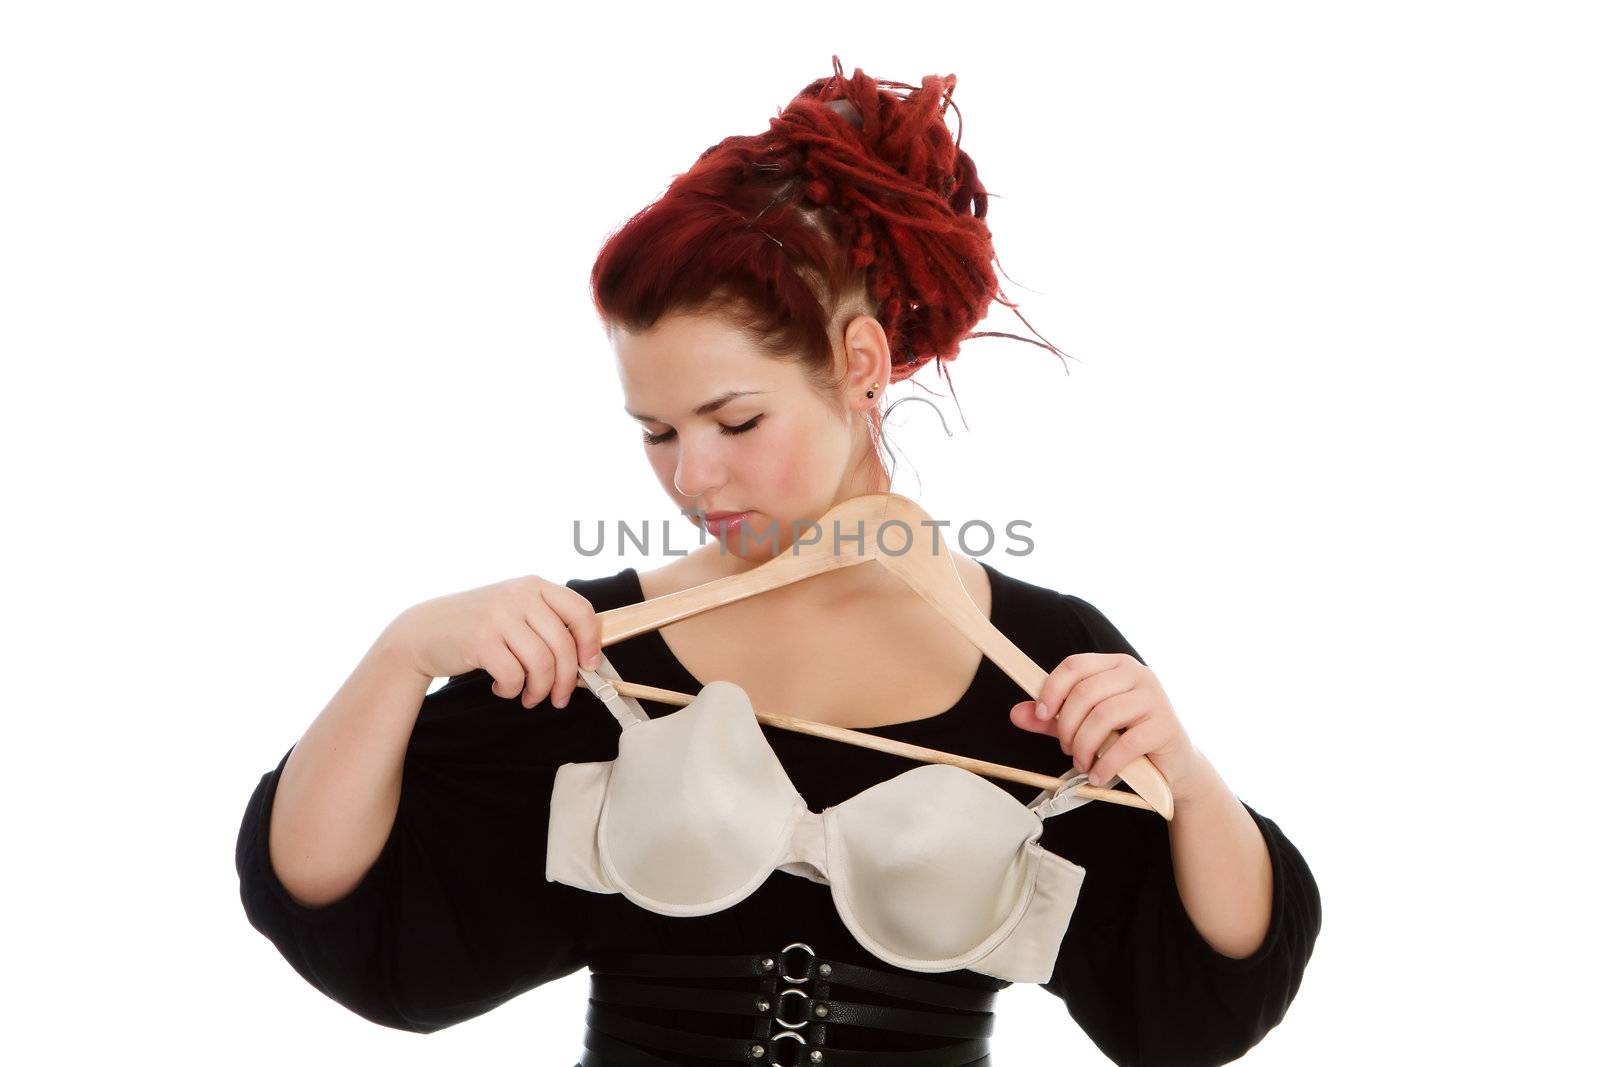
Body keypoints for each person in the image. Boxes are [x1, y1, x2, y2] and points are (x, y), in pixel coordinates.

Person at [235, 57, 1321, 1065]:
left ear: (858, 363)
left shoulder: (1042, 661)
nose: (695, 479)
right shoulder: (591, 653)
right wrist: (401, 652)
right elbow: (335, 898)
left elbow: (1211, 996)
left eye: (734, 420)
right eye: (657, 432)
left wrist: (1178, 765)